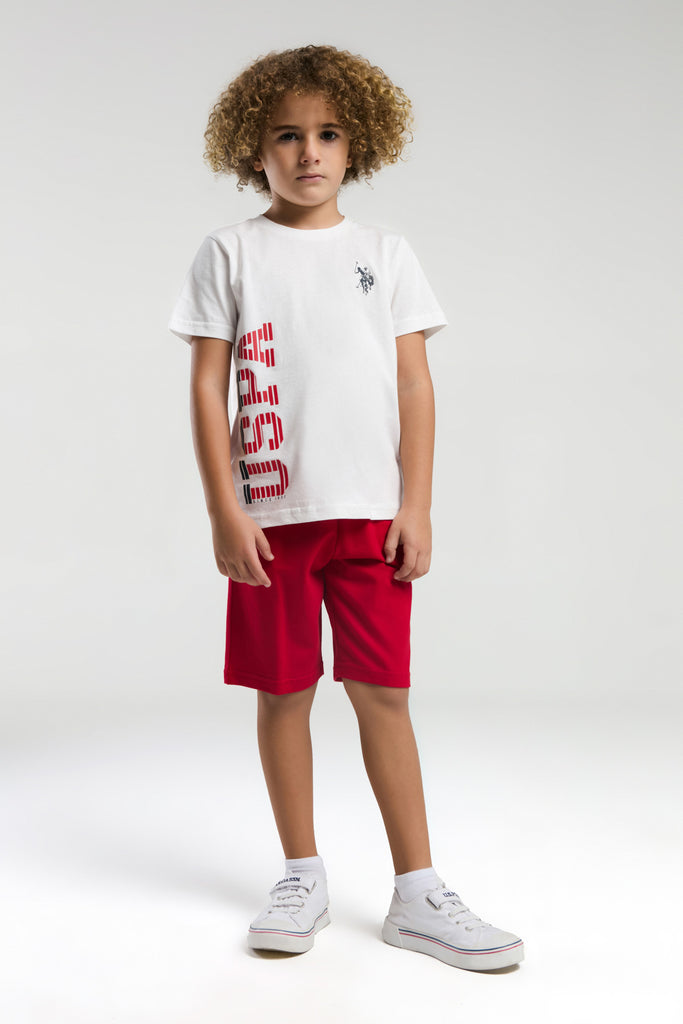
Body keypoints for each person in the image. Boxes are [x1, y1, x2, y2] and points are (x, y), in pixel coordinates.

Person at [168, 44, 524, 972]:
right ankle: (301, 875)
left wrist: (418, 504)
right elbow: (206, 388)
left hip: (369, 514)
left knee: (382, 693)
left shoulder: (385, 255)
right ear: (253, 149)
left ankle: (417, 891)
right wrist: (224, 509)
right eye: (287, 135)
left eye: (327, 134)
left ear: (356, 143)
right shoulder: (230, 252)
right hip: (270, 519)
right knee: (283, 692)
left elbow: (413, 385)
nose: (308, 152)